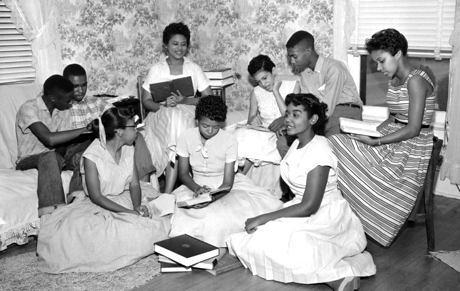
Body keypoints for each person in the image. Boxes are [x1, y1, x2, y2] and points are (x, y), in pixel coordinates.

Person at [227, 93, 376, 291]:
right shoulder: (297, 142)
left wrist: (264, 217)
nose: (287, 119)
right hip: (300, 207)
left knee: (283, 243)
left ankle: (337, 275)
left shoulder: (319, 150)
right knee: (252, 239)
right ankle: (323, 268)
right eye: (287, 113)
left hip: (325, 214)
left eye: (296, 115)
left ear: (313, 119)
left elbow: (310, 206)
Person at [328, 28, 436, 248]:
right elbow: (394, 118)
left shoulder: (415, 81)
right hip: (395, 134)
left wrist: (376, 141)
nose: (378, 68)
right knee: (336, 141)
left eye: (381, 61)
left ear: (397, 53)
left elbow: (414, 128)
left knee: (339, 147)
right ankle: (343, 218)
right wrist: (370, 132)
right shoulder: (395, 79)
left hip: (411, 144)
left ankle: (358, 218)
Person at [37, 107, 173, 273]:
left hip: (126, 197)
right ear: (119, 131)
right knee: (109, 236)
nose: (137, 130)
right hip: (100, 204)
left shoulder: (129, 149)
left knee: (164, 216)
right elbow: (96, 197)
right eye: (133, 127)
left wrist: (136, 206)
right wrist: (128, 213)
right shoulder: (91, 156)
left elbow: (135, 184)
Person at [169, 96, 283, 247]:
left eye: (215, 127)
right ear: (196, 121)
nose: (210, 131)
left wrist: (210, 199)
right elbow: (183, 173)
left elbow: (228, 183)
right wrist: (197, 189)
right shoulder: (186, 136)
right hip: (193, 185)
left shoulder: (229, 140)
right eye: (205, 126)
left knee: (216, 219)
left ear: (221, 124)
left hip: (223, 188)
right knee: (174, 215)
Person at [141, 22, 213, 193]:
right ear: (165, 46)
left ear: (187, 46)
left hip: (187, 113)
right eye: (175, 44)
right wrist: (164, 105)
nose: (179, 48)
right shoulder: (156, 69)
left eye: (183, 44)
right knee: (173, 117)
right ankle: (177, 184)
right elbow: (146, 101)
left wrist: (185, 101)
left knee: (177, 120)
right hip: (161, 115)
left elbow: (209, 98)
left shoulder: (193, 68)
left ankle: (168, 191)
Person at [63, 64, 155, 189]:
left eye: (84, 85)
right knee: (89, 151)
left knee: (137, 136)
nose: (81, 90)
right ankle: (77, 197)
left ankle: (143, 186)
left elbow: (118, 117)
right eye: (75, 87)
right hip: (76, 149)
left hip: (103, 142)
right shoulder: (61, 108)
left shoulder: (95, 102)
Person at [275, 30, 363, 157]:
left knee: (330, 147)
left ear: (308, 51)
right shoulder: (304, 74)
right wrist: (289, 122)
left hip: (345, 114)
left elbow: (327, 109)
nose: (292, 62)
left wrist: (301, 123)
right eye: (290, 58)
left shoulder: (334, 68)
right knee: (283, 143)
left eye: (294, 57)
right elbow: (305, 107)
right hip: (319, 117)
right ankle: (302, 175)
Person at [15, 75, 90, 217]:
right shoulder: (28, 108)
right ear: (53, 99)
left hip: (54, 154)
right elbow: (49, 139)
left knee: (89, 148)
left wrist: (61, 155)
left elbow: (61, 143)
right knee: (50, 156)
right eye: (68, 100)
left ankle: (77, 200)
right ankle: (53, 214)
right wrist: (85, 129)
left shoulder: (63, 110)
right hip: (29, 159)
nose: (71, 103)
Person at [233, 54, 300, 174]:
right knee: (240, 134)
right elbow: (250, 118)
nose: (263, 84)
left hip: (283, 132)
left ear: (273, 71)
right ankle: (239, 178)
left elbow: (292, 117)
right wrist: (253, 119)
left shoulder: (293, 86)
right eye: (258, 81)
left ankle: (240, 178)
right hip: (264, 131)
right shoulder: (256, 92)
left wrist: (276, 92)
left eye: (265, 78)